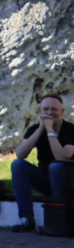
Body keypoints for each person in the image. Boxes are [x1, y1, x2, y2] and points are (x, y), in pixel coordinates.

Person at [10, 94, 74, 232]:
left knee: (56, 167)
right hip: (46, 181)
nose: (49, 113)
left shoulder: (71, 130)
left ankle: (58, 220)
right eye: (46, 109)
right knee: (18, 165)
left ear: (62, 112)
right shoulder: (35, 129)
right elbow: (20, 154)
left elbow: (62, 157)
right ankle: (26, 218)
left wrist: (50, 131)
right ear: (41, 112)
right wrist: (40, 130)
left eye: (54, 109)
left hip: (68, 182)